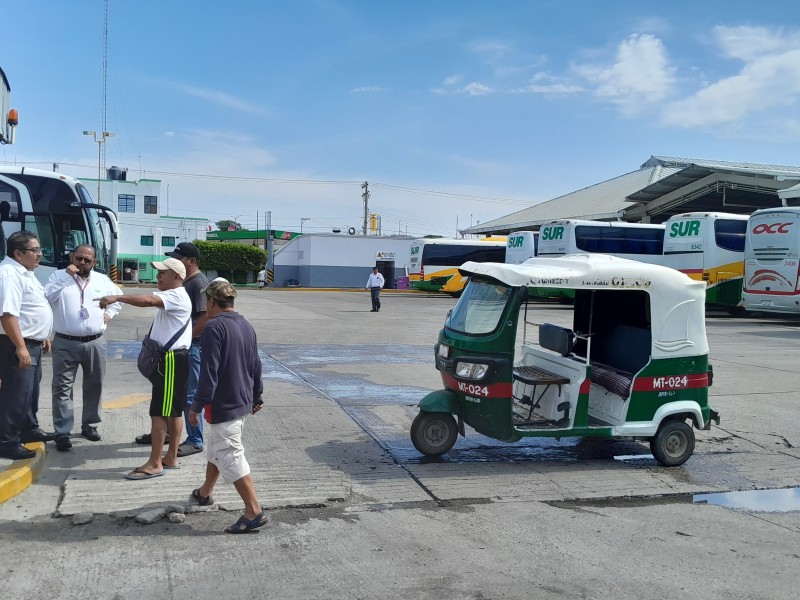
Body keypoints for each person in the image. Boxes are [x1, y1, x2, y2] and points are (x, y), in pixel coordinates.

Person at [97, 257, 191, 479]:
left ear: (177, 276)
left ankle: (155, 463)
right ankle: (170, 457)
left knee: (159, 412)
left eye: (162, 273)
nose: (158, 276)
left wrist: (116, 297)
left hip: (170, 361)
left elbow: (148, 300)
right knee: (172, 412)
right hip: (173, 360)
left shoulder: (175, 295)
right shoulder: (174, 295)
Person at [188, 279, 267, 533]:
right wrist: (257, 396)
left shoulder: (213, 327)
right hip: (242, 400)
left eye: (206, 302)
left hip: (225, 402)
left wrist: (196, 405)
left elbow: (208, 373)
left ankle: (253, 511)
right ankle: (205, 492)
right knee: (217, 448)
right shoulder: (245, 325)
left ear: (211, 302)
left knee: (230, 453)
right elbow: (256, 365)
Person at [134, 242, 209, 458]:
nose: (175, 261)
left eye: (179, 258)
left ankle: (194, 439)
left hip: (189, 348)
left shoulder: (198, 283)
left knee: (187, 396)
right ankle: (164, 433)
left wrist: (188, 337)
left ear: (191, 262)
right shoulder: (185, 283)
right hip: (178, 349)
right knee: (170, 397)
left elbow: (205, 315)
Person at [45, 244, 122, 452]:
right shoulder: (58, 277)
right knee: (62, 387)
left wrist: (109, 314)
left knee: (94, 384)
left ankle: (90, 425)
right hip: (64, 341)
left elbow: (118, 299)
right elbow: (47, 298)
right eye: (78, 258)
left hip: (95, 341)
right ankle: (62, 432)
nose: (82, 263)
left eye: (87, 260)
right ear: (72, 257)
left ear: (94, 262)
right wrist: (66, 277)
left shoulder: (102, 280)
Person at [0, 231, 55, 460]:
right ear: (18, 253)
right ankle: (7, 442)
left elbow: (30, 308)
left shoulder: (26, 273)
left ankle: (28, 429)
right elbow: (7, 314)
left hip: (32, 343)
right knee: (16, 394)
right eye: (35, 250)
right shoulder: (8, 274)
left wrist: (42, 334)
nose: (40, 254)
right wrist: (21, 347)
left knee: (30, 392)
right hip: (16, 344)